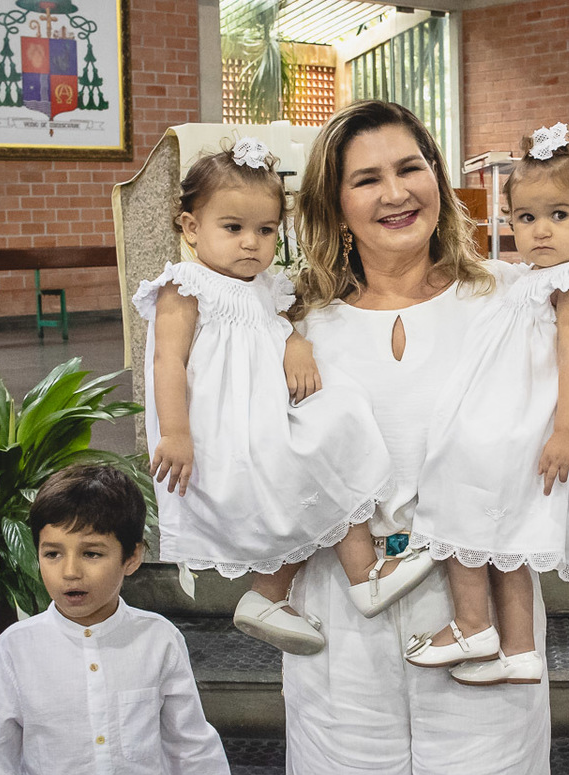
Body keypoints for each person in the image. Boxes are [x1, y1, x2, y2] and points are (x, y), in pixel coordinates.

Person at [284, 99, 550, 775]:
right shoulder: (301, 323)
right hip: (344, 606)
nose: (396, 193)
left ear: (438, 176)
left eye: (410, 168)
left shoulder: (508, 299)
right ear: (335, 206)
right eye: (367, 179)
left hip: (476, 607)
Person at [132, 139, 434, 655]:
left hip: (269, 417)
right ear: (191, 227)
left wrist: (295, 343)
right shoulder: (185, 285)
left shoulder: (266, 287)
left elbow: (279, 325)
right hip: (227, 434)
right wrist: (176, 432)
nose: (251, 243)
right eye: (233, 228)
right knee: (319, 458)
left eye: (266, 230)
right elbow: (167, 361)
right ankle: (349, 578)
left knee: (338, 423)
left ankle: (295, 590)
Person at [406, 122, 569, 685]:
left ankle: (472, 624)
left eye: (560, 215)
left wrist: (568, 433)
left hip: (526, 428)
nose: (541, 230)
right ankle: (520, 649)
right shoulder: (531, 277)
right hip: (511, 422)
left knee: (453, 492)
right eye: (526, 218)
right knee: (505, 538)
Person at [0, 464, 232, 775]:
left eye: (91, 553)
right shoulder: (15, 650)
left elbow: (191, 750)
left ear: (132, 557)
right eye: (52, 553)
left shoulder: (159, 640)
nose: (70, 571)